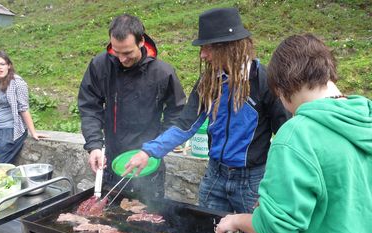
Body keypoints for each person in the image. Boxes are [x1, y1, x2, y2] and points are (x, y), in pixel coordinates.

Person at [215, 33, 372, 233]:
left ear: (283, 90)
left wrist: (236, 220)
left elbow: (278, 228)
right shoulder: (364, 122)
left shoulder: (297, 135)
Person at [124, 7, 290, 213]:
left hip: (252, 181)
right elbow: (185, 125)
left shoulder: (262, 80)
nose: (202, 55)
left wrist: (276, 184)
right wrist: (149, 152)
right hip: (215, 176)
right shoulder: (209, 82)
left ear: (229, 47)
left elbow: (285, 135)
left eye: (208, 47)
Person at [78, 14, 185, 201]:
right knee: (109, 220)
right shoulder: (100, 65)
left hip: (148, 161)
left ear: (141, 41)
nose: (121, 59)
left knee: (148, 217)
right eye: (116, 52)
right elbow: (90, 106)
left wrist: (156, 147)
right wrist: (94, 145)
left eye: (127, 53)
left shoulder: (162, 73)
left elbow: (177, 113)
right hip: (112, 161)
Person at [0, 51, 48, 163]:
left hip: (10, 131)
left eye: (2, 64)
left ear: (9, 66)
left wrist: (33, 132)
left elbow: (24, 108)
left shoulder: (17, 83)